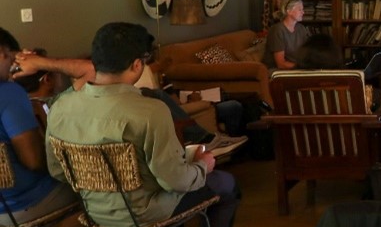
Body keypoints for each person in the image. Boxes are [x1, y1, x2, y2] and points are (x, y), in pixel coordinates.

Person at [45, 23, 241, 227]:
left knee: (164, 187)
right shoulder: (150, 111)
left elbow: (57, 170)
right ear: (137, 65)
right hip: (143, 213)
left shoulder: (60, 107)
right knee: (226, 186)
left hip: (93, 211)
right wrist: (202, 166)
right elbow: (175, 180)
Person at [12, 50, 248, 159]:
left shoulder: (20, 106)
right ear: (47, 79)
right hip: (109, 169)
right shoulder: (59, 102)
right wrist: (40, 61)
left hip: (80, 171)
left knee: (149, 94)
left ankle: (203, 138)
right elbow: (90, 69)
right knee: (151, 96)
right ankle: (203, 139)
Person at [0, 28, 76, 227]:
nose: (14, 68)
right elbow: (33, 161)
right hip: (26, 204)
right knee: (89, 184)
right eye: (13, 60)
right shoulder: (9, 93)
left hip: (3, 207)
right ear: (2, 54)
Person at [263, 0, 310, 70]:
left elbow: (307, 52)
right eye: (300, 9)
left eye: (302, 9)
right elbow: (281, 64)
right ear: (289, 11)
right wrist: (303, 68)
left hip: (296, 68)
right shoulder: (277, 30)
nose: (303, 12)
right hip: (278, 71)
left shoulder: (301, 28)